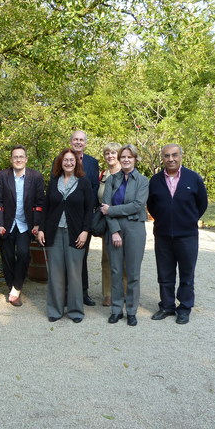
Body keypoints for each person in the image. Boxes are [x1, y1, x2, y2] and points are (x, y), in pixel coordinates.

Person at [147, 144, 208, 325]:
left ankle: (184, 308)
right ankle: (166, 306)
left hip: (187, 235)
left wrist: (188, 219)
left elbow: (202, 204)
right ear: (162, 158)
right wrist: (165, 219)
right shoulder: (155, 180)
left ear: (181, 156)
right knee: (164, 274)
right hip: (163, 235)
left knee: (187, 274)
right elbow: (151, 205)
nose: (171, 159)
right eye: (167, 156)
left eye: (174, 155)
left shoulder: (193, 178)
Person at [38, 148, 94, 323]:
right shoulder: (54, 181)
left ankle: (76, 311)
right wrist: (41, 229)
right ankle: (55, 310)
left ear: (76, 162)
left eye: (72, 160)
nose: (68, 163)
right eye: (65, 160)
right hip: (54, 232)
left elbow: (89, 210)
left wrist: (85, 231)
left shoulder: (84, 182)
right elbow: (46, 207)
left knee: (75, 274)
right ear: (60, 163)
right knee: (55, 273)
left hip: (75, 233)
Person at [100, 144, 149, 327]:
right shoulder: (112, 180)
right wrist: (114, 231)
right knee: (116, 271)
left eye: (130, 157)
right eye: (123, 157)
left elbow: (137, 205)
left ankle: (132, 311)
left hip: (135, 229)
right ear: (119, 159)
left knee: (133, 272)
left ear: (135, 159)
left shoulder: (143, 181)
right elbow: (104, 208)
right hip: (115, 230)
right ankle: (115, 310)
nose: (126, 160)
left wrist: (113, 209)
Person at [0, 145, 44, 307]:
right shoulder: (3, 176)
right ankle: (11, 286)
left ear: (26, 159)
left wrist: (37, 223)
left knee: (23, 254)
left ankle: (16, 288)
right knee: (7, 257)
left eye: (21, 157)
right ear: (11, 159)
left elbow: (39, 203)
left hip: (25, 224)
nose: (18, 159)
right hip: (7, 223)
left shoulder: (35, 177)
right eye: (15, 157)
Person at [67, 130, 100, 306]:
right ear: (71, 141)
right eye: (75, 139)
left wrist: (88, 207)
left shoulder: (93, 163)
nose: (78, 142)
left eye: (81, 140)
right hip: (65, 217)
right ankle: (67, 292)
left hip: (85, 215)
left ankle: (83, 292)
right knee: (66, 255)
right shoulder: (62, 159)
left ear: (85, 143)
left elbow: (95, 187)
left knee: (82, 255)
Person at [97, 142, 124, 307]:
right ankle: (107, 293)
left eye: (114, 153)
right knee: (107, 258)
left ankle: (125, 291)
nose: (110, 156)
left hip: (124, 220)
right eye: (107, 153)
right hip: (106, 221)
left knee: (125, 259)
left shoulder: (127, 172)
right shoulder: (103, 175)